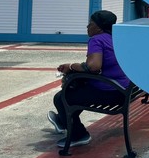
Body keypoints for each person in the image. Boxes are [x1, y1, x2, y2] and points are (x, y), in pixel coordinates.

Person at [46, 10, 130, 148]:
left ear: (99, 27)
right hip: (124, 90)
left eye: (90, 23)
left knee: (61, 98)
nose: (87, 26)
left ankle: (79, 135)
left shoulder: (97, 39)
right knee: (77, 93)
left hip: (110, 93)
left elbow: (93, 66)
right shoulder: (116, 38)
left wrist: (71, 66)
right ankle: (63, 121)